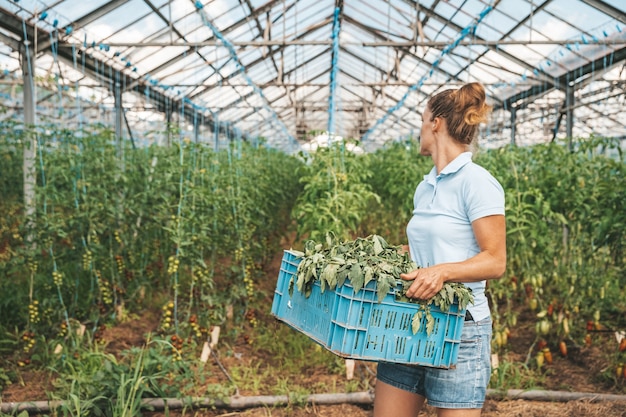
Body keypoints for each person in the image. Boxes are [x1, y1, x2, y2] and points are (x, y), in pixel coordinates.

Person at [373, 82, 506, 417]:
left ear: (435, 123)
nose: (420, 130)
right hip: (408, 321)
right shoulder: (426, 184)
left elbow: (495, 260)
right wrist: (387, 256)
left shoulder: (477, 182)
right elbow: (434, 246)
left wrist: (441, 272)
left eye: (422, 120)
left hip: (459, 328)